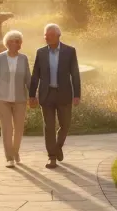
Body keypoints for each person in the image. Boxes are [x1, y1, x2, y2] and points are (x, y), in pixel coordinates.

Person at [28, 22, 81, 169]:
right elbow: (35, 75)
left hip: (64, 94)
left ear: (58, 36)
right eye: (45, 35)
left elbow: (75, 74)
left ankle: (57, 147)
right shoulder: (41, 52)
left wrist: (77, 94)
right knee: (49, 127)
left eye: (50, 35)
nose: (47, 38)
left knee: (65, 125)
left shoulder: (69, 51)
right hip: (46, 94)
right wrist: (32, 94)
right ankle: (52, 157)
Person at [0, 29, 31, 167]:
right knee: (7, 128)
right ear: (8, 43)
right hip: (2, 99)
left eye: (18, 41)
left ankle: (15, 151)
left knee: (19, 128)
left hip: (20, 99)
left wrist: (33, 95)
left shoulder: (23, 58)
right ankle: (9, 157)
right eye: (14, 41)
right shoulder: (0, 58)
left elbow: (28, 78)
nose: (17, 44)